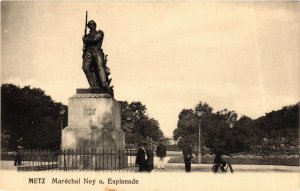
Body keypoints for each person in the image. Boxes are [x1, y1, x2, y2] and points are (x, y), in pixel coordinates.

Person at [82, 20, 111, 89]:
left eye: (93, 24)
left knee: (100, 66)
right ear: (88, 27)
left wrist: (85, 39)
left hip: (96, 50)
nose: (92, 26)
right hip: (88, 52)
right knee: (85, 68)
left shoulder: (100, 32)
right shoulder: (87, 36)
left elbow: (95, 39)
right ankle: (93, 85)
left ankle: (104, 84)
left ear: (95, 25)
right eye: (90, 25)